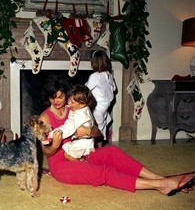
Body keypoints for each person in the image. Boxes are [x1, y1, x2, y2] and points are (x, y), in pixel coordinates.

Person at [39, 74, 194, 196]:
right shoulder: (44, 118)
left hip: (83, 152)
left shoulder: (76, 108)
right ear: (47, 97)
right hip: (62, 165)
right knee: (103, 173)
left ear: (67, 94)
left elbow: (97, 133)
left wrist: (86, 131)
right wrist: (55, 144)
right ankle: (161, 185)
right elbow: (46, 151)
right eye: (52, 97)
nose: (56, 101)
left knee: (113, 152)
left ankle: (159, 178)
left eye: (60, 96)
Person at [48, 84, 96, 161]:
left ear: (82, 104)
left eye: (72, 102)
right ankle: (82, 161)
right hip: (85, 141)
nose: (69, 104)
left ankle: (84, 168)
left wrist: (52, 134)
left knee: (67, 155)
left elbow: (69, 127)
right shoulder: (84, 109)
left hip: (83, 142)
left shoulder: (80, 115)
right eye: (69, 100)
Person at [85, 50, 116, 146]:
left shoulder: (95, 76)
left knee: (94, 128)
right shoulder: (109, 75)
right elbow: (113, 88)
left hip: (97, 106)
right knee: (101, 126)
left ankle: (93, 148)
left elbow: (86, 89)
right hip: (105, 106)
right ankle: (100, 147)